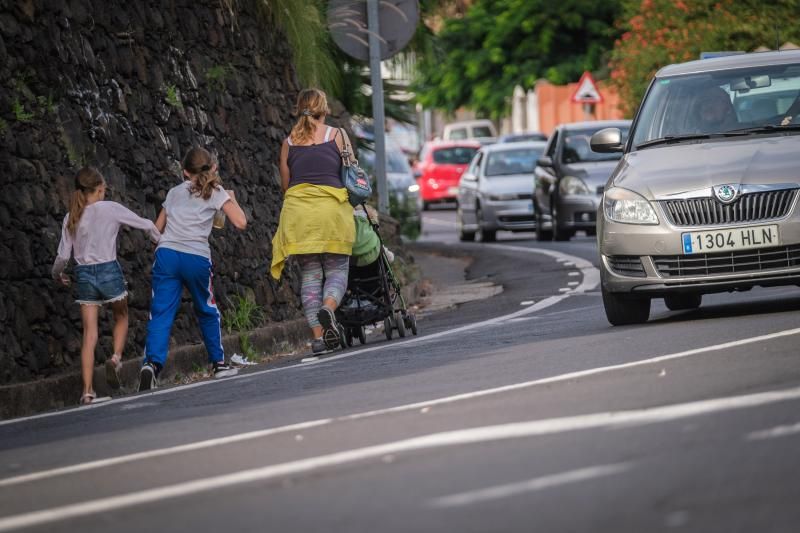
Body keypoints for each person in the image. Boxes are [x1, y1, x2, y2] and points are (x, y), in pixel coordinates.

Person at [139, 147, 247, 390]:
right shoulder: (217, 192)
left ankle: (151, 365)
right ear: (212, 167)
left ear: (185, 171)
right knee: (207, 309)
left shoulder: (174, 192)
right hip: (196, 257)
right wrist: (232, 198)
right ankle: (218, 364)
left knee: (161, 313)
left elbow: (156, 231)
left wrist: (168, 243)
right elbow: (241, 222)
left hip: (167, 254)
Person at [52, 167, 161, 405]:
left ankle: (87, 392)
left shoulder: (71, 216)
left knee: (89, 334)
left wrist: (57, 275)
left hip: (83, 276)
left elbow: (62, 257)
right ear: (100, 189)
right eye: (103, 190)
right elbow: (145, 224)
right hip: (109, 270)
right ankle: (115, 358)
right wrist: (159, 241)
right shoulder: (110, 208)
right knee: (121, 316)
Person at [271, 88, 356, 355]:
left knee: (310, 275)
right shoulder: (337, 135)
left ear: (299, 109)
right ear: (325, 109)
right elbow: (352, 175)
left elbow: (286, 186)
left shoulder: (288, 143)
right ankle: (327, 308)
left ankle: (318, 338)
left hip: (299, 217)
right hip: (332, 213)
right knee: (337, 269)